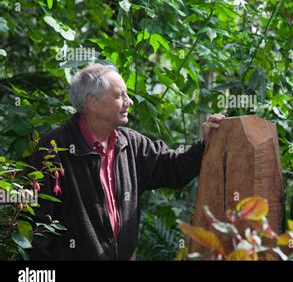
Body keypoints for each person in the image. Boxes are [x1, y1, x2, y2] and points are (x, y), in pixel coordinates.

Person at [28, 64, 224, 260]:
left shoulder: (131, 143)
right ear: (92, 103)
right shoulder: (55, 149)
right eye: (119, 96)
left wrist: (204, 144)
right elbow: (37, 228)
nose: (129, 101)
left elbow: (173, 168)